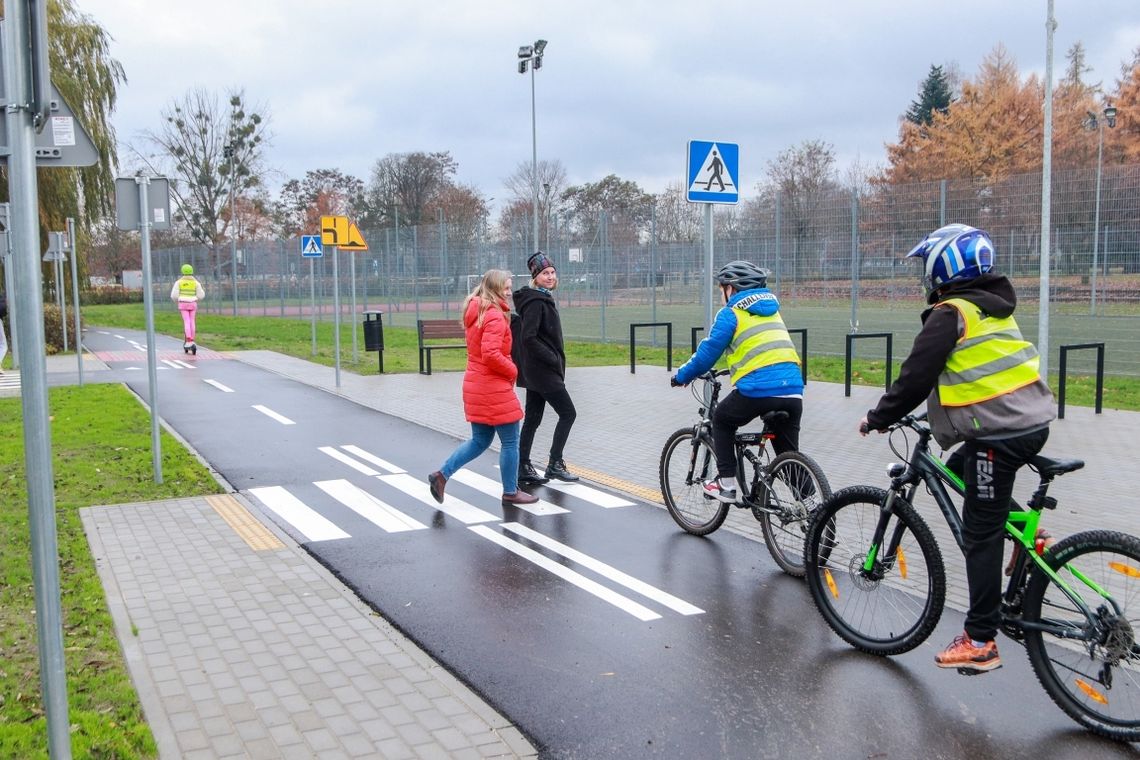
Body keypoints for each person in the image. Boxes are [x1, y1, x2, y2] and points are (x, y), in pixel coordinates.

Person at [859, 223, 1055, 674]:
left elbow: (916, 376)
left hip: (1000, 434)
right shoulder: (992, 307)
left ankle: (981, 639)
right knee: (961, 470)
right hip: (1030, 422)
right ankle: (1027, 532)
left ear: (944, 265)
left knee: (978, 534)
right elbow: (980, 372)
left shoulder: (951, 313)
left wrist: (878, 417)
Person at [670, 260, 803, 503]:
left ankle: (726, 484)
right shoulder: (772, 310)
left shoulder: (731, 313)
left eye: (722, 288)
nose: (721, 294)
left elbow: (707, 354)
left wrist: (681, 376)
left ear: (731, 289)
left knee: (722, 418)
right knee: (789, 458)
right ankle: (816, 510)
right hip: (794, 390)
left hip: (758, 389)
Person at [428, 270, 539, 507]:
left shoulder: (477, 311)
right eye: (506, 288)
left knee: (480, 440)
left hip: (476, 384)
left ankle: (441, 475)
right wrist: (513, 370)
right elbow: (491, 354)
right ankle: (511, 492)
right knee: (510, 442)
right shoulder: (494, 315)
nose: (509, 293)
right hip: (493, 386)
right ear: (495, 288)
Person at [513, 251, 579, 485]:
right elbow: (528, 337)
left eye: (552, 272)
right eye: (544, 273)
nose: (550, 276)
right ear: (535, 277)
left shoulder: (540, 298)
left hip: (535, 372)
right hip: (543, 372)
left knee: (532, 418)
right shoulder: (535, 302)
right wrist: (552, 358)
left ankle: (522, 466)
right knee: (568, 413)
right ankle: (554, 464)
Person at [170, 264, 204, 349]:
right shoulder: (196, 283)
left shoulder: (178, 282)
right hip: (193, 303)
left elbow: (174, 295)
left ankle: (188, 340)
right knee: (192, 321)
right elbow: (201, 295)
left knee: (186, 321)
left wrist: (177, 300)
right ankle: (192, 339)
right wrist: (195, 298)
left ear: (182, 272)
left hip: (183, 303)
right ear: (192, 272)